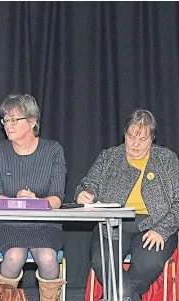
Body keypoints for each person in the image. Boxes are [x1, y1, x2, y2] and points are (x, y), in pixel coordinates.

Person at [75, 109, 179, 301]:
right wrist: (82, 195)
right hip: (112, 224)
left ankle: (112, 297)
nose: (136, 144)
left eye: (142, 139)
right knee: (102, 262)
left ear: (152, 139)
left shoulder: (167, 160)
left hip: (154, 226)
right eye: (131, 137)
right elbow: (87, 186)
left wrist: (162, 230)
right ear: (125, 135)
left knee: (148, 263)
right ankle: (126, 297)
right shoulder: (109, 157)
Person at [0, 94, 67, 301]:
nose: (8, 125)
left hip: (45, 224)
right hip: (7, 224)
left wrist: (37, 202)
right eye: (6, 120)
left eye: (14, 119)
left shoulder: (53, 150)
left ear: (32, 122)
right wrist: (18, 201)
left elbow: (58, 198)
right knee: (14, 256)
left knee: (49, 258)